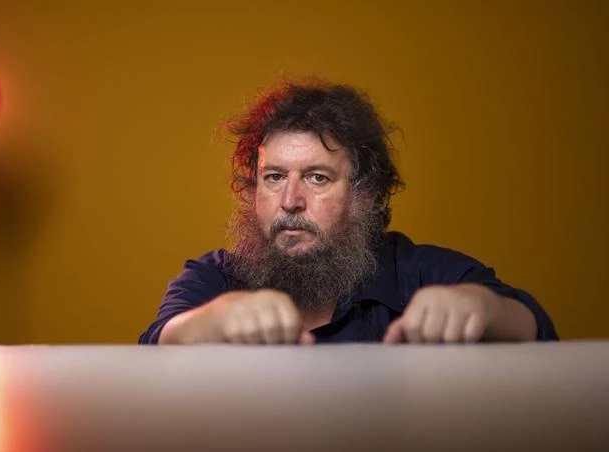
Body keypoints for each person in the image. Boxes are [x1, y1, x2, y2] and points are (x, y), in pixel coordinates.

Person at [139, 80, 557, 345]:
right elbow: (162, 340)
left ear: (365, 194)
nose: (290, 200)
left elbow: (531, 325)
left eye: (317, 177)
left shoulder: (421, 273)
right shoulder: (214, 279)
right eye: (274, 177)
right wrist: (217, 318)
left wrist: (483, 308)